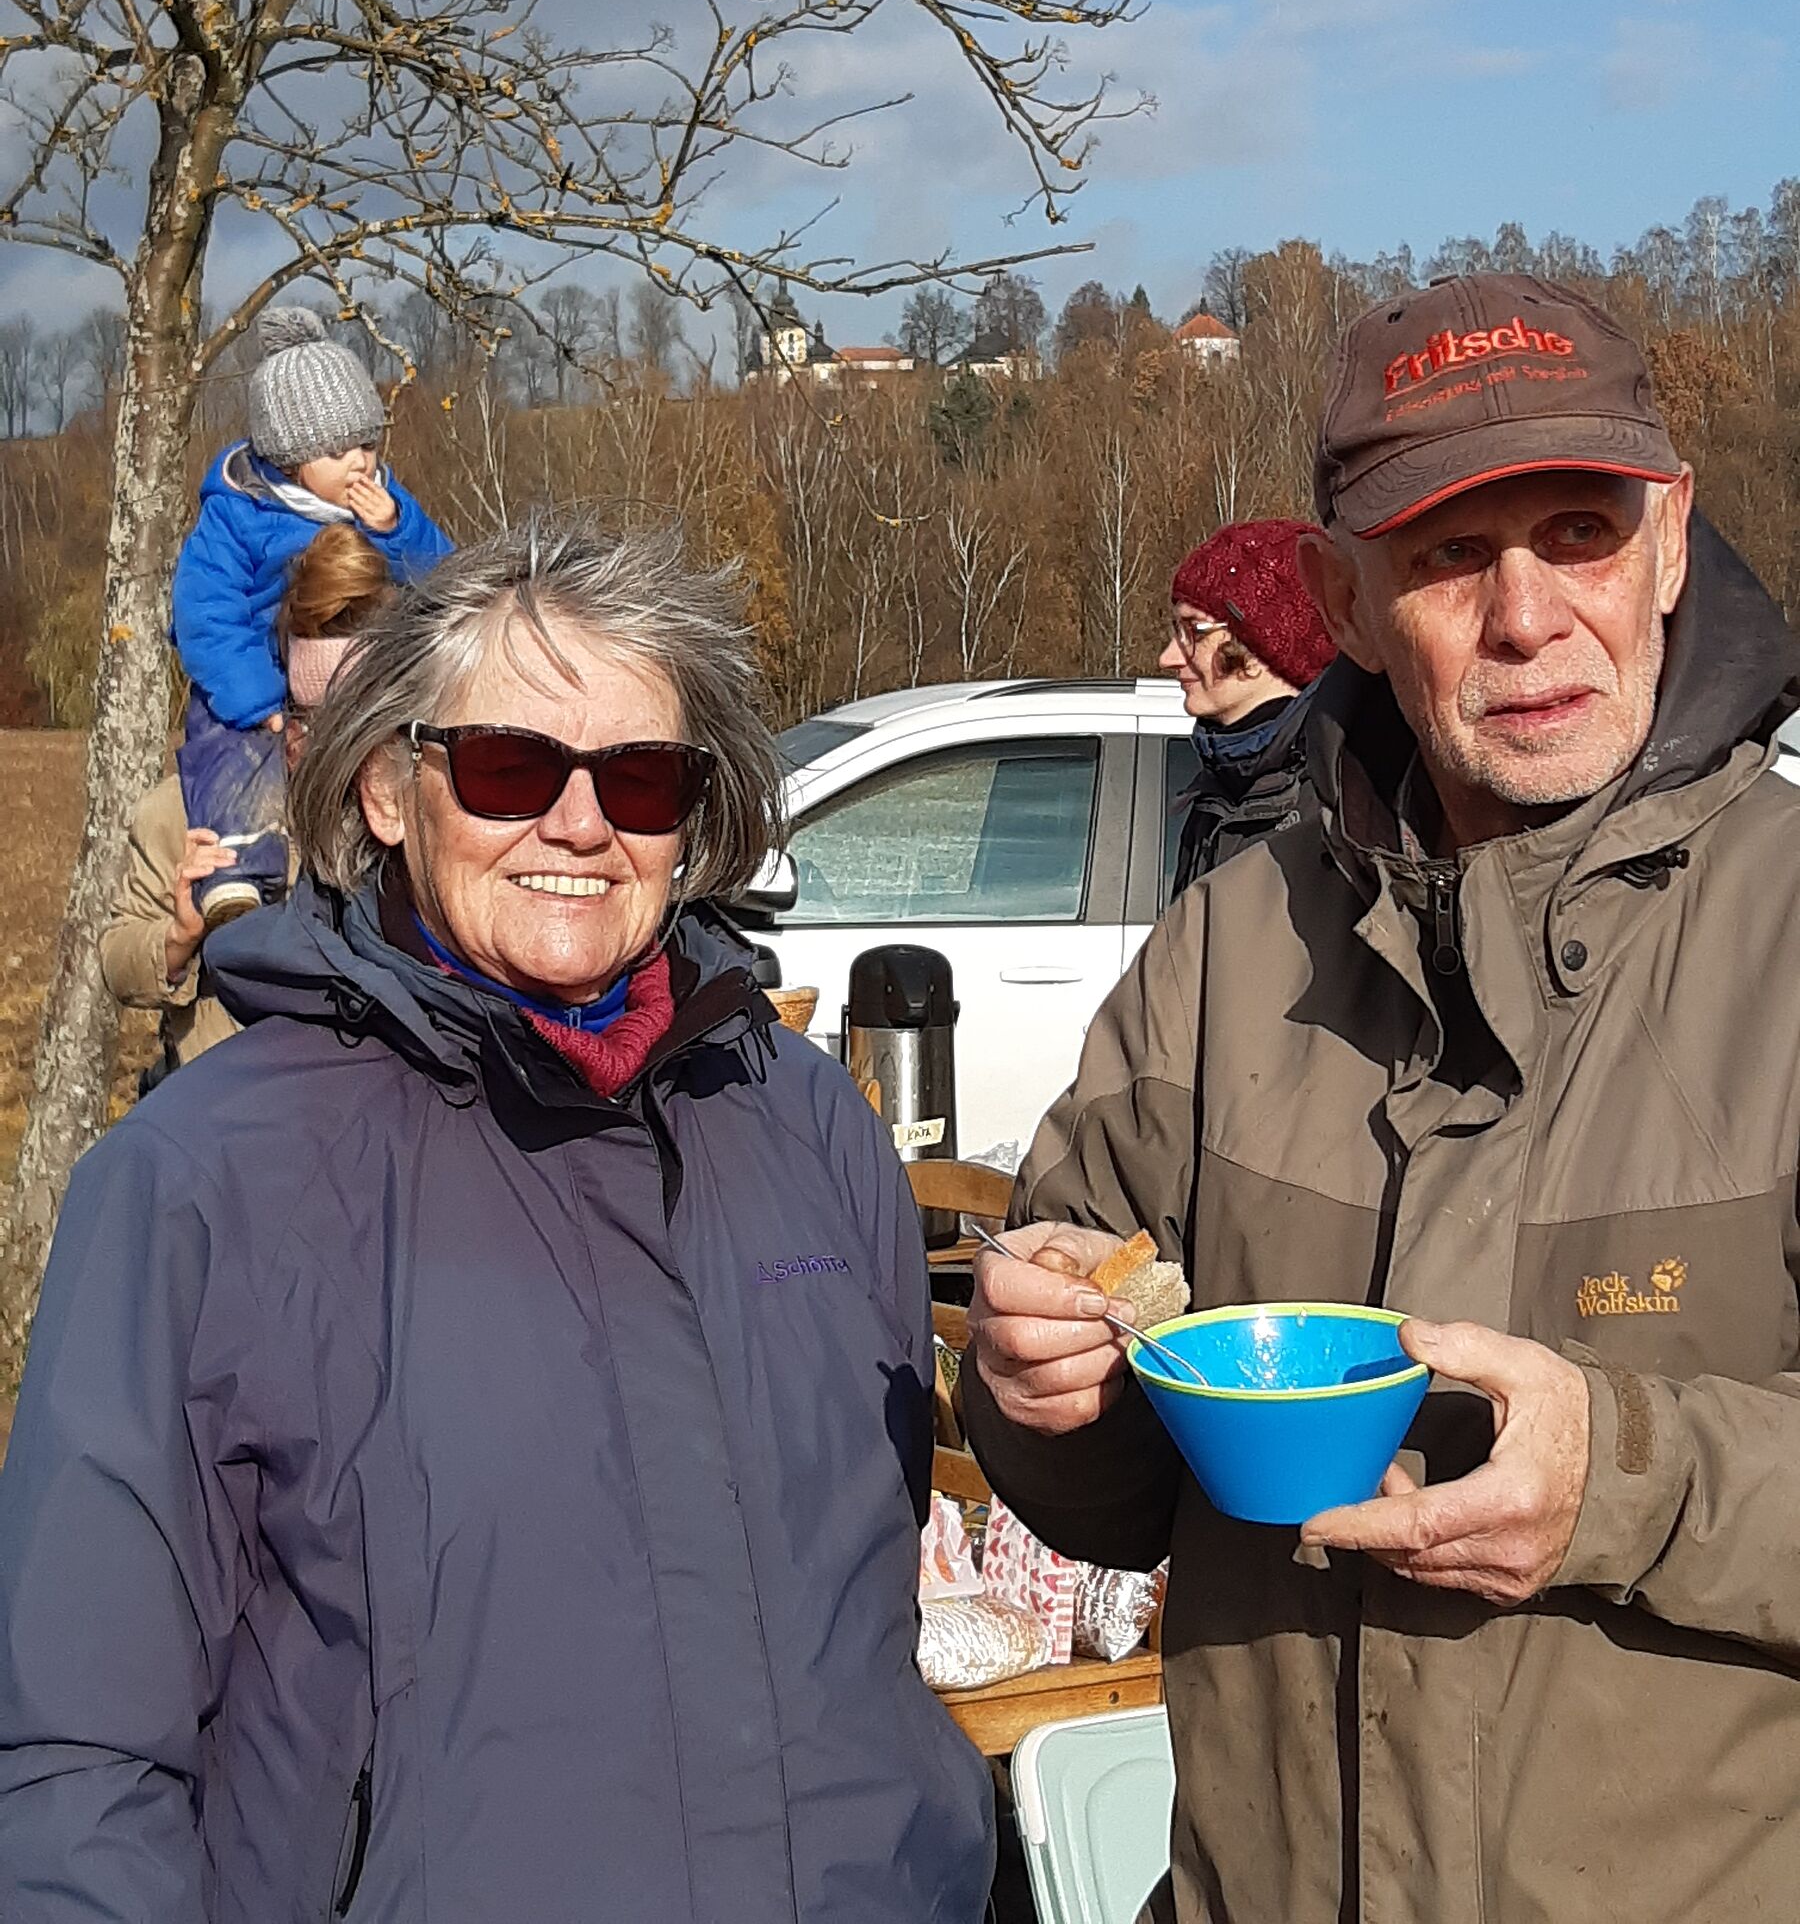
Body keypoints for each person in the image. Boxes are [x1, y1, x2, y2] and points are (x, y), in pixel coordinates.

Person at [0, 515, 993, 1924]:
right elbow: (74, 1765)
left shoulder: (808, 1125)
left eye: (640, 778)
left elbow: (863, 1626)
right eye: (512, 765)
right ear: (393, 790)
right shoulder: (197, 1188)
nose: (579, 822)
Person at [963, 271, 1800, 1924]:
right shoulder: (1223, 952)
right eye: (1446, 556)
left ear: (1672, 539)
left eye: (1577, 531)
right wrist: (1043, 1396)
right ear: (1344, 605)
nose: (1527, 616)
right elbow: (1110, 1494)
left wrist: (1620, 1478)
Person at [170, 305, 450, 925]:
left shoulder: (382, 502)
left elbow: (445, 580)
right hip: (256, 681)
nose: (361, 462)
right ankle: (239, 869)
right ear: (292, 460)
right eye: (337, 449)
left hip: (353, 676)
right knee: (226, 749)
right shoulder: (238, 513)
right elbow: (205, 613)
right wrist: (257, 698)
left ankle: (395, 870)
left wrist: (397, 530)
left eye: (367, 442)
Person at [102, 523, 397, 1072]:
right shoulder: (184, 809)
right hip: (221, 1119)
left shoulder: (418, 804)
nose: (322, 741)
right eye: (307, 715)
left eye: (352, 722)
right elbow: (118, 962)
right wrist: (178, 936)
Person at [1158, 519, 1336, 895]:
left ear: (1260, 644)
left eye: (1194, 632)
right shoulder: (1216, 793)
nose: (1168, 658)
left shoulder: (1339, 809)